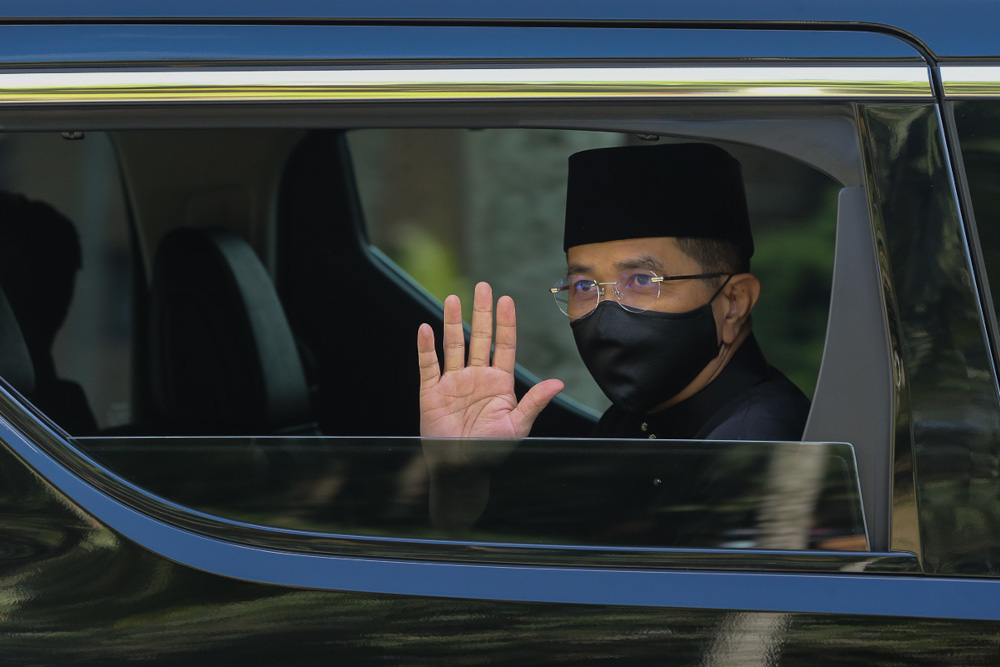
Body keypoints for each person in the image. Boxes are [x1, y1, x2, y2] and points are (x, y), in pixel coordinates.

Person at [417, 142, 809, 446]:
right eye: (584, 287)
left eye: (641, 280)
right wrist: (462, 474)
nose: (606, 323)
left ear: (734, 301)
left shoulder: (758, 445)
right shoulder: (635, 420)